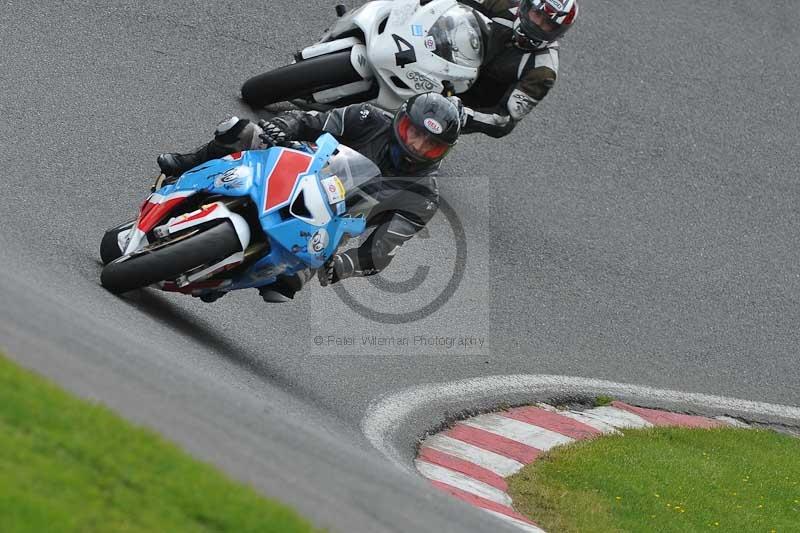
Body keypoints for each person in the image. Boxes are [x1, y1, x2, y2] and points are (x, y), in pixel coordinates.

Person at [156, 92, 463, 302]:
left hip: (325, 228)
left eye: (430, 144)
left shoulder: (423, 197)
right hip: (295, 170)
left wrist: (340, 265)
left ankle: (224, 278)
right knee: (240, 131)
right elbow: (312, 121)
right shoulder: (368, 117)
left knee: (286, 285)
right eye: (415, 132)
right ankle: (186, 165)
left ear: (442, 152)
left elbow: (380, 251)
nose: (417, 145)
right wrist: (281, 126)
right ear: (402, 120)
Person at [457, 0, 578, 138]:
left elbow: (504, 120)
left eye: (548, 24)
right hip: (443, 63)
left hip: (465, 105)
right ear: (526, 6)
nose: (537, 24)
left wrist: (463, 115)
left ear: (557, 32)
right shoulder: (504, 6)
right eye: (537, 14)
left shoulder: (543, 71)